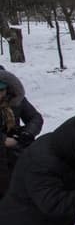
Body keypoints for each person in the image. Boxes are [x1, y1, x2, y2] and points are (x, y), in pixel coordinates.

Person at [0, 69, 44, 198]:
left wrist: (27, 133)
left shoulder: (16, 101)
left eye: (1, 90)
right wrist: (3, 140)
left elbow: (35, 118)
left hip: (16, 148)